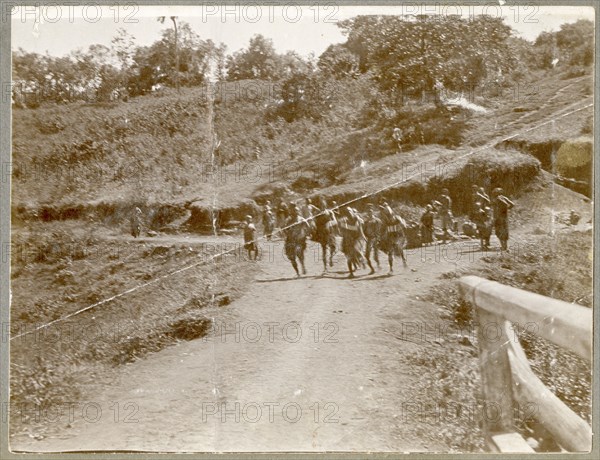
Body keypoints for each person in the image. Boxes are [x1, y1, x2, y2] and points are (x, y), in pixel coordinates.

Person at [379, 204, 408, 274]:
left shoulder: (397, 218)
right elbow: (383, 229)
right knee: (390, 252)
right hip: (390, 237)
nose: (388, 215)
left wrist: (400, 226)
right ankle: (391, 269)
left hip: (398, 236)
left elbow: (404, 226)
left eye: (389, 214)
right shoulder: (385, 221)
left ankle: (404, 262)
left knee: (399, 249)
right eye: (387, 214)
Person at [338, 207, 367, 278]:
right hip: (348, 240)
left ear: (352, 212)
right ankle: (351, 273)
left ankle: (362, 260)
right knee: (348, 257)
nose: (349, 213)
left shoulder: (357, 219)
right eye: (347, 212)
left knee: (355, 250)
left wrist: (363, 236)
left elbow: (358, 228)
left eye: (350, 211)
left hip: (356, 238)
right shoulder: (344, 220)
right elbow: (341, 230)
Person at [312, 196, 337, 272]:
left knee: (333, 247)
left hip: (330, 232)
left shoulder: (330, 212)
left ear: (325, 204)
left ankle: (331, 258)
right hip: (322, 233)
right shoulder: (317, 213)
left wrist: (329, 223)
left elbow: (335, 221)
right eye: (321, 204)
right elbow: (314, 222)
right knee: (324, 250)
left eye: (323, 204)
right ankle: (325, 267)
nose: (322, 205)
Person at [284, 205, 309, 277]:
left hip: (299, 240)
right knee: (291, 258)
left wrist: (304, 223)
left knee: (300, 255)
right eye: (294, 211)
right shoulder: (288, 220)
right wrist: (290, 228)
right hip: (290, 240)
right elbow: (285, 230)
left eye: (297, 211)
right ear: (292, 212)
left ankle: (303, 266)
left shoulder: (301, 219)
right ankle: (297, 272)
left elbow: (307, 227)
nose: (296, 212)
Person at [492, 188, 514, 252]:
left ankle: (503, 247)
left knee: (499, 231)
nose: (494, 194)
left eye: (494, 193)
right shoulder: (504, 197)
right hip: (504, 217)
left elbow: (504, 204)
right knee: (505, 231)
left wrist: (502, 210)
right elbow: (512, 204)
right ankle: (506, 247)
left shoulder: (497, 199)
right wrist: (506, 210)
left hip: (499, 217)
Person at [363, 205, 382, 274]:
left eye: (370, 211)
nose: (369, 213)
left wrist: (378, 238)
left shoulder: (377, 220)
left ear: (373, 212)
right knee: (367, 255)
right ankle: (372, 269)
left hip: (375, 239)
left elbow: (380, 230)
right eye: (368, 211)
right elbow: (364, 231)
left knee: (375, 255)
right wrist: (365, 238)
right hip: (369, 239)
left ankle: (378, 265)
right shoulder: (366, 222)